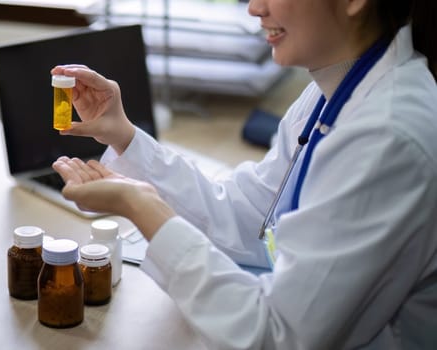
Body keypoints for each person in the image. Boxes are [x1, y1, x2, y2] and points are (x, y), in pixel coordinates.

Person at [51, 0, 437, 348]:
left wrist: (141, 206)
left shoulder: (387, 137)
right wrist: (125, 136)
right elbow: (251, 214)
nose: (255, 8)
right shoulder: (336, 89)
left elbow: (276, 335)